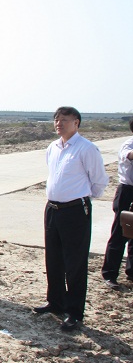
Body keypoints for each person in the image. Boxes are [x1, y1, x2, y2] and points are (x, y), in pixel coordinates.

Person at [33, 107, 108, 331]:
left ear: (76, 123)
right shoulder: (53, 147)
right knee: (53, 258)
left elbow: (99, 181)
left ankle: (74, 311)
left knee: (75, 262)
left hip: (75, 210)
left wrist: (81, 198)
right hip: (53, 209)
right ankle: (55, 302)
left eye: (64, 120)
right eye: (56, 119)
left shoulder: (86, 148)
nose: (59, 123)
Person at [101, 118, 133, 289]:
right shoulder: (128, 144)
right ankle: (110, 274)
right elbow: (128, 155)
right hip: (127, 192)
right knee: (120, 234)